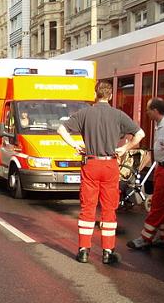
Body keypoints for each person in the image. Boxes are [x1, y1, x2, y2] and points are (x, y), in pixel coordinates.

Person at [58, 81, 145, 264]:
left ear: (95, 94)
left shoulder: (84, 113)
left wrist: (75, 144)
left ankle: (83, 250)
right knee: (109, 209)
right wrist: (125, 148)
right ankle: (107, 252)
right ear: (111, 96)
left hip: (90, 164)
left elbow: (61, 129)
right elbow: (140, 134)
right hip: (109, 166)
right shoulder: (118, 115)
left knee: (88, 208)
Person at [128, 98, 164, 251]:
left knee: (157, 204)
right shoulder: (162, 125)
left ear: (155, 110)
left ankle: (145, 238)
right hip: (161, 168)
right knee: (162, 205)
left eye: (148, 110)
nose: (146, 113)